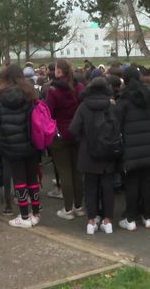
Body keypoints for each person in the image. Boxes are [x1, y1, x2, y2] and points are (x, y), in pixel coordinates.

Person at [115, 67, 150, 231]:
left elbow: (116, 124)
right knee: (147, 182)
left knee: (132, 183)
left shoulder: (124, 100)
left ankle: (130, 218)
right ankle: (148, 217)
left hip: (132, 147)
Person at [0, 64, 41, 228]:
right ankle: (36, 213)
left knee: (19, 179)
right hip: (31, 142)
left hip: (10, 144)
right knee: (32, 178)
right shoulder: (30, 94)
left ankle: (24, 216)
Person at [69, 77, 116, 235]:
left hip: (88, 152)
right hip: (108, 152)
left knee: (90, 188)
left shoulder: (83, 107)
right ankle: (107, 220)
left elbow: (73, 129)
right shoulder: (111, 106)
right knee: (108, 187)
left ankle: (91, 221)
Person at [45, 59, 85, 220]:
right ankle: (79, 206)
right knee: (77, 171)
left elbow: (48, 112)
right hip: (77, 132)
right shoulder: (79, 87)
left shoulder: (53, 90)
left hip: (60, 134)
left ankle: (67, 208)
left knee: (64, 171)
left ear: (59, 71)